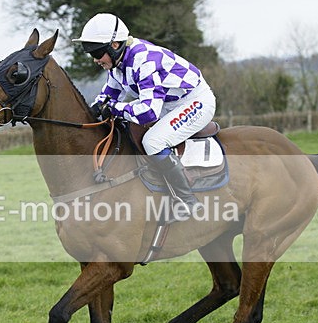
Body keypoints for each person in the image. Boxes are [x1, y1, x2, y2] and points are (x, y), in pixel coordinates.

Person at [73, 13, 216, 216]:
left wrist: (115, 109)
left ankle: (188, 201)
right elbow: (109, 94)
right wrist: (93, 110)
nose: (95, 60)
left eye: (97, 53)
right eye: (91, 54)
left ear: (115, 45)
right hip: (169, 104)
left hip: (195, 102)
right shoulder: (118, 62)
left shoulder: (144, 60)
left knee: (152, 142)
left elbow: (148, 112)